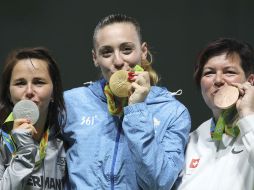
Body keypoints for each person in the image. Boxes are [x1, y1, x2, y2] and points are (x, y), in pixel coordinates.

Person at [63, 13, 191, 190]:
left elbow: (160, 183)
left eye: (127, 49)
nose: (118, 61)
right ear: (95, 58)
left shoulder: (173, 112)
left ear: (143, 51)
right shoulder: (71, 103)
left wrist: (137, 109)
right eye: (106, 52)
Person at [175, 38, 254, 190]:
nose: (218, 80)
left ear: (250, 81)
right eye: (209, 73)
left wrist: (248, 114)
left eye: (229, 72)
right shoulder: (191, 140)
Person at [0, 47, 67, 190]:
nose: (29, 91)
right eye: (20, 83)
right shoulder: (2, 142)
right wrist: (24, 153)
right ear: (9, 94)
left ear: (54, 92)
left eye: (39, 82)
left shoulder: (65, 141)